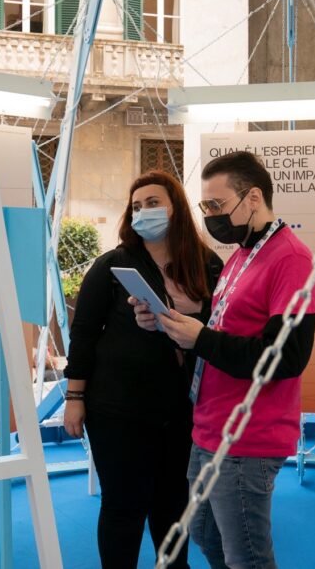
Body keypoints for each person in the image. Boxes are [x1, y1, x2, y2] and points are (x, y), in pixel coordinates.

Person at [134, 151, 315, 569]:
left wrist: (200, 338)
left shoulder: (291, 258)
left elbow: (286, 357)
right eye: (206, 207)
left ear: (253, 198)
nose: (210, 216)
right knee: (205, 536)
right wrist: (175, 326)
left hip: (248, 435)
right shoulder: (241, 253)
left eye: (217, 206)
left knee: (246, 558)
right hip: (210, 424)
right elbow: (224, 332)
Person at [64, 170, 224, 568]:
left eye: (153, 203)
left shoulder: (207, 265)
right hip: (116, 410)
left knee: (174, 505)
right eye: (136, 206)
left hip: (182, 411)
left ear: (176, 209)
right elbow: (82, 336)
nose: (143, 212)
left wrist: (194, 313)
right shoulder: (113, 267)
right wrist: (75, 397)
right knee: (123, 505)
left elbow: (225, 332)